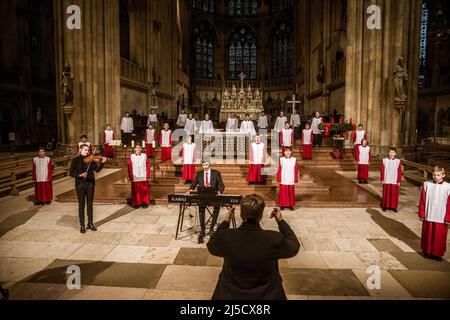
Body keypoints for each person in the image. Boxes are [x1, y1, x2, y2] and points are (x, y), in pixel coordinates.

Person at [207, 194, 300, 300]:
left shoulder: (226, 236)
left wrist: (225, 222)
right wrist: (281, 221)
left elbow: (211, 244)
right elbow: (294, 246)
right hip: (267, 294)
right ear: (260, 216)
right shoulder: (273, 239)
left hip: (230, 294)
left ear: (242, 214)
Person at [70, 145, 107, 233]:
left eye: (88, 150)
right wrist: (80, 175)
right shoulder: (75, 160)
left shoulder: (91, 159)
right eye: (85, 150)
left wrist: (102, 163)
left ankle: (90, 223)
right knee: (81, 205)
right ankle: (82, 224)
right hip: (80, 185)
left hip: (90, 184)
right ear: (80, 150)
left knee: (89, 205)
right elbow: (71, 173)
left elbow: (97, 170)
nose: (87, 152)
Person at [418, 166, 450, 262]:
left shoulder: (448, 187)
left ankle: (437, 254)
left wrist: (448, 217)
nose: (436, 177)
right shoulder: (427, 184)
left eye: (438, 175)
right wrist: (422, 213)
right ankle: (427, 251)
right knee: (427, 233)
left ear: (443, 175)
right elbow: (422, 200)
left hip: (441, 215)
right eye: (434, 175)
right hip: (429, 213)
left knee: (439, 235)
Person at [189, 160, 225, 244]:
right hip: (203, 195)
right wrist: (190, 189)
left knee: (217, 206)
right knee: (201, 207)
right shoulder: (199, 174)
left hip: (213, 195)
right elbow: (194, 183)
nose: (205, 166)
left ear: (209, 164)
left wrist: (220, 191)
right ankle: (202, 229)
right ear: (202, 165)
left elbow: (221, 184)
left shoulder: (216, 173)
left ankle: (211, 228)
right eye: (203, 165)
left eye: (206, 164)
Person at [127, 145, 151, 209]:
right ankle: (136, 203)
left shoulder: (144, 156)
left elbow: (148, 165)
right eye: (137, 148)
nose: (139, 149)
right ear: (134, 149)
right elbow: (129, 167)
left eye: (140, 148)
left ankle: (144, 202)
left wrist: (148, 175)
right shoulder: (131, 156)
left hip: (143, 176)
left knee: (144, 190)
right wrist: (131, 176)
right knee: (136, 191)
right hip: (136, 176)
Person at [380, 147, 402, 212]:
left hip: (394, 180)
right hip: (386, 179)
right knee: (386, 193)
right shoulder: (384, 160)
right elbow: (382, 170)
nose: (391, 154)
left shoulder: (398, 161)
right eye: (390, 152)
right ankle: (385, 206)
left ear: (395, 153)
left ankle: (393, 206)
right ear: (388, 153)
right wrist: (382, 179)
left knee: (394, 194)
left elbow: (399, 171)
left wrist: (398, 181)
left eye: (393, 152)